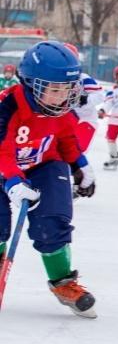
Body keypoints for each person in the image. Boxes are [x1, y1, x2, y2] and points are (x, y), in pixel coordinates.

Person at [0, 41, 97, 317]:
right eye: (54, 90)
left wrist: (81, 165)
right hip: (4, 168)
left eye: (67, 90)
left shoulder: (61, 109)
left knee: (53, 222)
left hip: (44, 165)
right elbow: (2, 150)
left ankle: (63, 283)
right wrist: (12, 182)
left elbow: (66, 138)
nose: (61, 97)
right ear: (31, 84)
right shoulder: (7, 106)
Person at [63, 43, 103, 153]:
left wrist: (85, 99)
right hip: (65, 121)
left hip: (86, 120)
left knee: (76, 151)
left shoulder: (83, 78)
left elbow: (100, 95)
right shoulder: (56, 79)